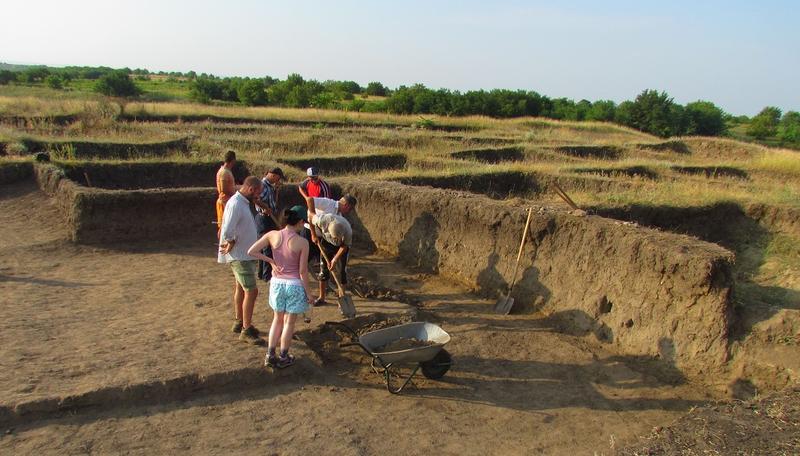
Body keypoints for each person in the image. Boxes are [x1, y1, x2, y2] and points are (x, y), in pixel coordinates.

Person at [247, 208, 315, 368]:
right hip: (294, 285)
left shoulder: (272, 235)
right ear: (299, 222)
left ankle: (270, 355)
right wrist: (309, 294)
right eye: (303, 222)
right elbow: (303, 271)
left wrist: (270, 260)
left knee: (277, 319)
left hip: (277, 283)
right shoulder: (302, 242)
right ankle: (284, 356)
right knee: (289, 323)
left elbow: (251, 251)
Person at [219, 175, 264, 345]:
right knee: (251, 291)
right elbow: (228, 228)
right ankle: (246, 329)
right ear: (251, 189)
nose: (258, 197)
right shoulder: (236, 204)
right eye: (257, 193)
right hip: (240, 256)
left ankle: (239, 322)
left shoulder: (242, 202)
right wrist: (230, 241)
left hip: (244, 254)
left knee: (240, 287)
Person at [305, 195, 355, 308]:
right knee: (323, 271)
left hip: (342, 247)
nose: (335, 240)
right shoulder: (323, 219)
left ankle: (342, 297)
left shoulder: (348, 230)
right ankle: (321, 298)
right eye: (334, 238)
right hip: (326, 243)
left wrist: (335, 259)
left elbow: (345, 246)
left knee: (342, 271)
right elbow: (310, 217)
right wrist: (313, 234)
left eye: (337, 238)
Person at [254, 167, 285, 281]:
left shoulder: (270, 187)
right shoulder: (262, 185)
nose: (278, 180)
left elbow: (274, 204)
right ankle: (267, 276)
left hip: (269, 218)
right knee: (266, 247)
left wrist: (276, 191)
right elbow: (255, 199)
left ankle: (262, 273)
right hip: (263, 218)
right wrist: (264, 207)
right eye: (278, 178)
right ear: (273, 175)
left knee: (266, 246)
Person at [215, 150, 237, 238]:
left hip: (227, 201)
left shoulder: (227, 171)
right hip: (224, 201)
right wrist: (235, 194)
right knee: (223, 225)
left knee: (227, 224)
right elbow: (223, 189)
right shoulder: (224, 172)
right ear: (233, 160)